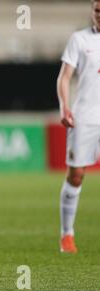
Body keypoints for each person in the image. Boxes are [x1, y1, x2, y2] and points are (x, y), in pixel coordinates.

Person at [57, 0, 100, 253]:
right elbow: (64, 77)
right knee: (76, 175)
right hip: (84, 117)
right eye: (97, 11)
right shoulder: (79, 39)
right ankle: (67, 234)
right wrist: (65, 106)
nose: (99, 16)